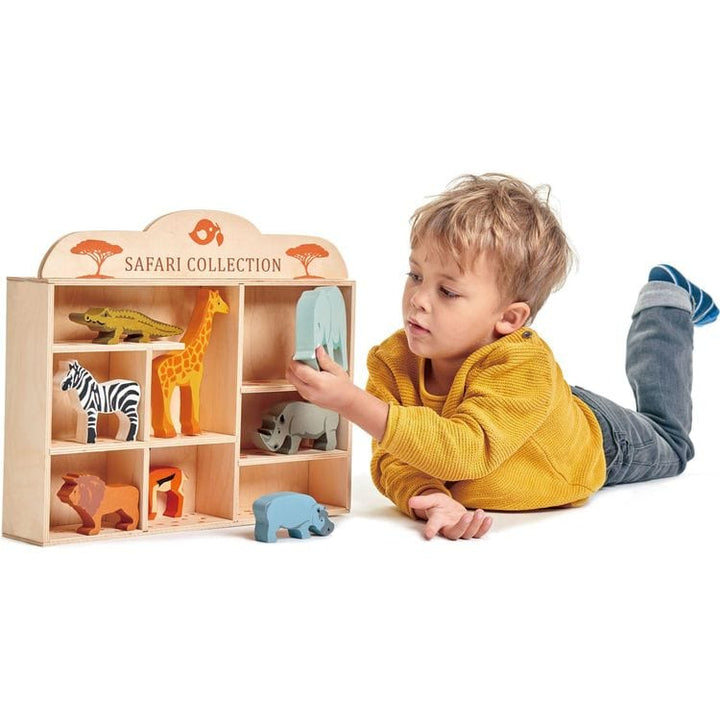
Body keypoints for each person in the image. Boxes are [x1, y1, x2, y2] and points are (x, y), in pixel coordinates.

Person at [286, 174, 718, 541]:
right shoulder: (392, 360)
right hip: (528, 409)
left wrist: (352, 403)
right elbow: (394, 456)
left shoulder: (524, 366)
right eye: (415, 275)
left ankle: (665, 303)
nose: (418, 299)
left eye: (447, 291)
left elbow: (467, 449)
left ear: (509, 318)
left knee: (672, 444)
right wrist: (427, 495)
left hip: (594, 441)